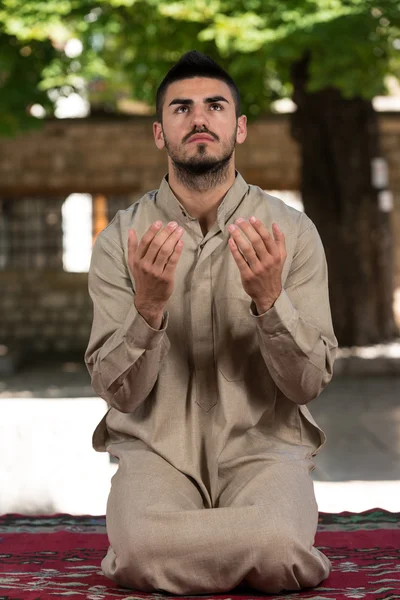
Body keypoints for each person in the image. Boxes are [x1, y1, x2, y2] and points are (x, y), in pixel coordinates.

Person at [84, 50, 338, 595]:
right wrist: (148, 310)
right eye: (182, 108)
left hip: (263, 446)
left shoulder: (292, 234)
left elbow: (308, 382)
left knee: (277, 545)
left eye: (215, 106)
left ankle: (244, 541)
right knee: (141, 550)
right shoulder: (118, 241)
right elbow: (117, 394)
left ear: (238, 127)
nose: (199, 119)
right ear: (160, 132)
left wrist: (272, 303)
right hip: (157, 451)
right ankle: (220, 546)